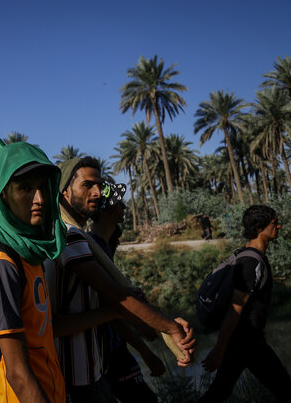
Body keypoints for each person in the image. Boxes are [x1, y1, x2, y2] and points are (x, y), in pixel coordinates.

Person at [44, 157, 196, 403]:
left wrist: (150, 323)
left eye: (100, 186)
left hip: (93, 373)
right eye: (87, 185)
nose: (97, 193)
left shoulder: (80, 237)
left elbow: (111, 305)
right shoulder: (68, 235)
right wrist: (169, 326)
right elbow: (116, 297)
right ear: (65, 192)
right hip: (73, 379)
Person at [0, 142, 67, 403]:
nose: (39, 199)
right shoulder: (1, 264)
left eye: (42, 187)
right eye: (24, 188)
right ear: (3, 195)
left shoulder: (30, 255)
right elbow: (18, 374)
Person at [199, 205, 291, 403]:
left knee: (218, 393)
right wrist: (219, 350)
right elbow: (235, 310)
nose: (279, 226)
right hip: (248, 342)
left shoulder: (247, 256)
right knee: (288, 394)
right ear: (258, 229)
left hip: (242, 341)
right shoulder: (251, 263)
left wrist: (223, 347)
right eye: (274, 223)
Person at [89, 182, 163, 403]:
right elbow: (112, 308)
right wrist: (145, 351)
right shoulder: (94, 248)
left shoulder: (102, 246)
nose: (123, 206)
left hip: (111, 348)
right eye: (118, 202)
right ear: (105, 210)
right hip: (109, 351)